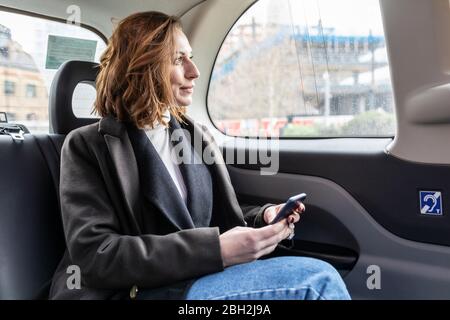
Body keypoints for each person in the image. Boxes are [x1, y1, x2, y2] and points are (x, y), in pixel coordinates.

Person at [49, 11, 350, 300]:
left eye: (190, 57)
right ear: (143, 67)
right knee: (316, 282)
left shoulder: (194, 135)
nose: (194, 71)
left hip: (201, 278)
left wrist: (263, 217)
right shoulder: (86, 147)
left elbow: (213, 218)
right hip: (139, 291)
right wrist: (214, 250)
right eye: (179, 60)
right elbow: (97, 256)